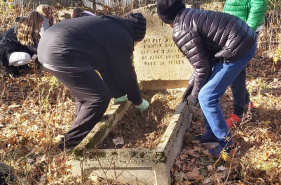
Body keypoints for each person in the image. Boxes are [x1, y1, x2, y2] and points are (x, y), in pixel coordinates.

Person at [157, 0, 257, 159]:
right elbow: (203, 61)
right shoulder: (190, 15)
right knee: (205, 93)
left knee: (206, 97)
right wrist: (190, 87)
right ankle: (212, 134)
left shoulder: (180, 30)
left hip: (238, 47)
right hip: (242, 38)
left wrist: (193, 96)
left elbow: (202, 67)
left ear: (165, 20)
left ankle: (229, 146)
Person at [37, 13, 149, 151]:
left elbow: (106, 66)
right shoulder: (122, 36)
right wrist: (137, 100)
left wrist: (118, 94)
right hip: (60, 52)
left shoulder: (110, 26)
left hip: (46, 47)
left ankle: (82, 130)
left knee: (86, 94)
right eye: (137, 41)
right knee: (98, 98)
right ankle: (68, 145)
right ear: (136, 35)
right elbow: (126, 73)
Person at [223, 0, 267, 128]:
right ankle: (246, 103)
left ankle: (239, 113)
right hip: (235, 27)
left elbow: (259, 4)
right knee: (237, 68)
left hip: (244, 29)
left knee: (235, 69)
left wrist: (248, 30)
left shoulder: (246, 29)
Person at [0, 11, 44, 78]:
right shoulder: (23, 30)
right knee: (26, 57)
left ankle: (20, 65)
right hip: (5, 55)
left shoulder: (30, 29)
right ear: (36, 23)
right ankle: (11, 67)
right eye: (40, 25)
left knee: (32, 55)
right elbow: (36, 49)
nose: (41, 27)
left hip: (14, 51)